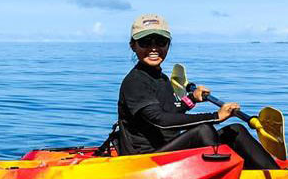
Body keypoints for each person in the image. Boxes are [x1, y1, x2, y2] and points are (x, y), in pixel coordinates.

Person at [116, 14, 278, 169]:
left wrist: (191, 99)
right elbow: (160, 120)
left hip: (167, 152)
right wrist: (215, 117)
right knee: (203, 131)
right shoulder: (135, 82)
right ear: (133, 45)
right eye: (145, 42)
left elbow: (171, 112)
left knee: (235, 130)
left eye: (160, 41)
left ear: (168, 44)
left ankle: (274, 176)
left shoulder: (162, 79)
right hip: (143, 162)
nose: (153, 48)